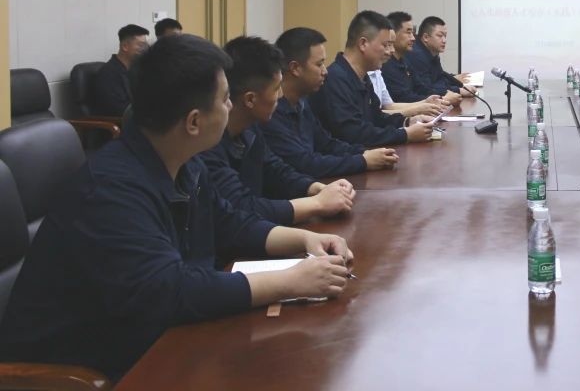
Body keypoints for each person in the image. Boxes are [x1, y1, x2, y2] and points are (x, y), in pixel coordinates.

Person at [0, 35, 354, 380]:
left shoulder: (183, 160)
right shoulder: (110, 191)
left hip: (154, 337)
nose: (231, 108)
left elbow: (229, 223)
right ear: (194, 122)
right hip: (84, 369)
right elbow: (171, 291)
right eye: (225, 99)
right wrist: (290, 281)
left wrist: (303, 241)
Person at [202, 36, 356, 225]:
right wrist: (317, 204)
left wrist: (316, 188)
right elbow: (241, 207)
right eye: (276, 89)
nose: (281, 95)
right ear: (250, 99)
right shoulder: (208, 145)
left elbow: (274, 170)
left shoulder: (250, 128)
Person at [261, 27, 399, 178]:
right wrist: (363, 161)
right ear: (295, 68)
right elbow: (305, 164)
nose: (325, 71)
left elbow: (326, 144)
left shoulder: (301, 102)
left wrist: (365, 153)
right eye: (319, 64)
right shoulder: (271, 112)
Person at [313, 11, 435, 147]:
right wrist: (405, 134)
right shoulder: (335, 79)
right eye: (385, 45)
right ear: (363, 44)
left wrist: (407, 122)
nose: (391, 51)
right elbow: (353, 134)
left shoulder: (363, 77)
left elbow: (377, 118)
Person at [382, 11, 458, 107]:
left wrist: (445, 94)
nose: (413, 38)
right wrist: (443, 99)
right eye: (408, 33)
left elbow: (421, 88)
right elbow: (404, 98)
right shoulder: (386, 64)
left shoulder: (404, 60)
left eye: (413, 33)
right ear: (393, 34)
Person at [406, 15, 475, 100]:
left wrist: (459, 84)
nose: (444, 40)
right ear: (426, 37)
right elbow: (427, 89)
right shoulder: (417, 55)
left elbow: (440, 77)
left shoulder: (432, 52)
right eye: (440, 36)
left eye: (445, 36)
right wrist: (458, 90)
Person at [90, 23, 149, 116]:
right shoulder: (108, 74)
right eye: (141, 45)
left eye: (145, 45)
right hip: (121, 122)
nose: (145, 49)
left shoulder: (137, 70)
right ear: (125, 46)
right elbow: (121, 110)